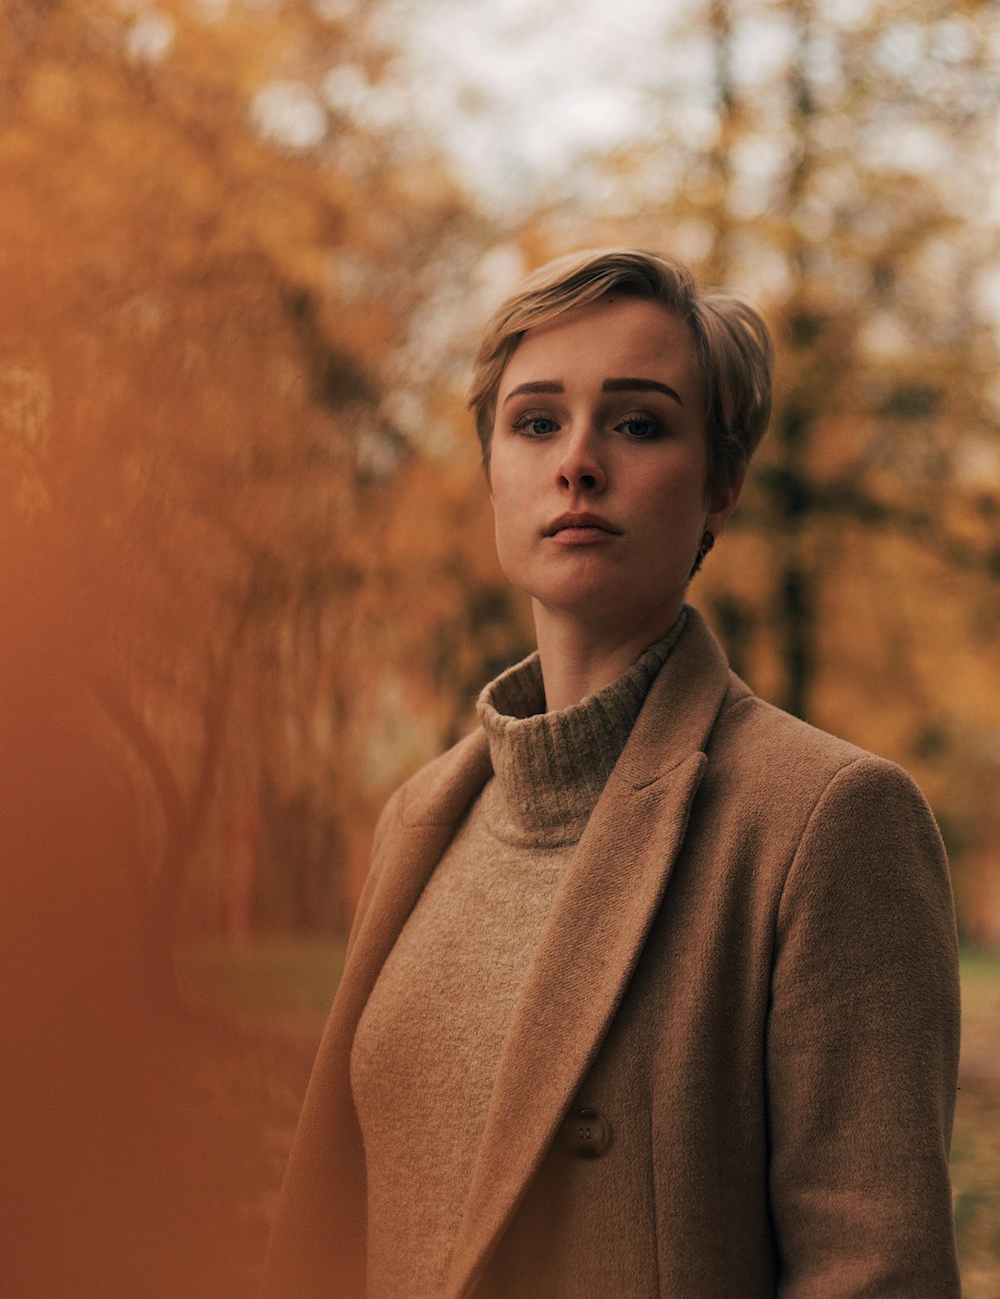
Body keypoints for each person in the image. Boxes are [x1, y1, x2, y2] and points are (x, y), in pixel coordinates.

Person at [262, 248, 961, 1299]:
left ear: (721, 485)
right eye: (535, 422)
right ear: (492, 466)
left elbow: (875, 1276)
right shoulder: (420, 818)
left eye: (636, 423)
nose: (577, 461)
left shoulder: (824, 821)